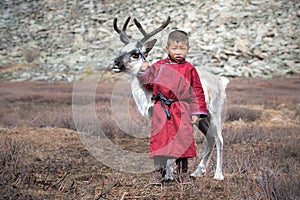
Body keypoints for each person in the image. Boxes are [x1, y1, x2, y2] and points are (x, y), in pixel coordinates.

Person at [137, 30, 208, 183]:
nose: (178, 52)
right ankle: (159, 173)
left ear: (188, 49)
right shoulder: (158, 66)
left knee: (183, 140)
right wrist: (144, 70)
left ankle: (183, 173)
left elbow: (197, 91)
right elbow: (147, 82)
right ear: (167, 49)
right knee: (160, 141)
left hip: (181, 108)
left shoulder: (189, 69)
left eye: (182, 49)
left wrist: (196, 112)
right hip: (161, 109)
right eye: (174, 49)